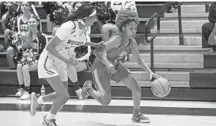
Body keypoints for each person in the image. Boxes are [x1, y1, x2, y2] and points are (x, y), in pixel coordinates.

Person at [30, 4, 104, 126]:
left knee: (62, 94)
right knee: (64, 96)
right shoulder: (69, 26)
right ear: (84, 17)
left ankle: (37, 101)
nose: (95, 19)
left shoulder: (84, 28)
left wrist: (95, 45)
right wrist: (67, 60)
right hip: (49, 61)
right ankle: (48, 119)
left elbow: (80, 41)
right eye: (93, 17)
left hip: (61, 62)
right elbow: (49, 47)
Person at [81, 8, 159, 123]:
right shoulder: (117, 39)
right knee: (105, 101)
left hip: (116, 66)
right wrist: (107, 64)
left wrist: (150, 72)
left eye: (135, 28)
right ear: (123, 28)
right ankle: (88, 88)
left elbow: (138, 59)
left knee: (136, 88)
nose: (134, 31)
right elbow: (98, 52)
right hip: (101, 67)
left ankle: (136, 115)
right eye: (131, 29)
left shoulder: (132, 42)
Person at [15, 15, 47, 100]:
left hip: (38, 61)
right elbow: (23, 50)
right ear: (27, 24)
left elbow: (44, 52)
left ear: (37, 23)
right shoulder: (25, 36)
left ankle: (27, 91)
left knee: (25, 68)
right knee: (19, 66)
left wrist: (36, 59)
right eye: (30, 22)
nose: (31, 23)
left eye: (33, 21)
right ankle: (21, 88)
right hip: (28, 59)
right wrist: (20, 48)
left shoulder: (42, 36)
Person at [6, 2, 38, 69]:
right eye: (23, 5)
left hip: (31, 42)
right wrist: (18, 44)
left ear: (30, 7)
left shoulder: (35, 18)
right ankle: (14, 71)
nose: (24, 7)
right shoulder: (17, 19)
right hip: (20, 42)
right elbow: (14, 33)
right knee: (9, 50)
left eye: (26, 5)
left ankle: (28, 66)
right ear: (20, 7)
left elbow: (37, 33)